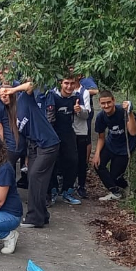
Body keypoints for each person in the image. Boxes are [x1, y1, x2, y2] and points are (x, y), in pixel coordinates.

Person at [1, 82, 60, 228]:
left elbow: (30, 85)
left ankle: (35, 218)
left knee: (35, 177)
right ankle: (43, 215)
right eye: (1, 94)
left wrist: (13, 89)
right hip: (34, 146)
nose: (4, 95)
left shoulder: (24, 100)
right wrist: (27, 155)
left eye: (6, 93)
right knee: (34, 179)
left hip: (48, 143)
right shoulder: (10, 114)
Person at [92, 91, 136, 201]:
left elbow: (133, 132)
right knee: (97, 164)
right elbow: (101, 137)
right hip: (111, 144)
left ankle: (126, 187)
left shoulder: (123, 112)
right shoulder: (101, 116)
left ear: (114, 101)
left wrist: (129, 112)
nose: (106, 106)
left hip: (125, 148)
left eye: (109, 102)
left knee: (115, 176)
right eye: (103, 103)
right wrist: (97, 154)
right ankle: (115, 192)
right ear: (100, 104)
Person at [49, 77, 85, 205]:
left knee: (73, 161)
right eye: (66, 83)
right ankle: (52, 191)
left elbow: (85, 115)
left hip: (68, 133)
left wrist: (79, 111)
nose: (69, 86)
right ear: (60, 83)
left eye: (72, 83)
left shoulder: (76, 97)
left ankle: (67, 192)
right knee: (52, 162)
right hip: (52, 134)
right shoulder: (52, 96)